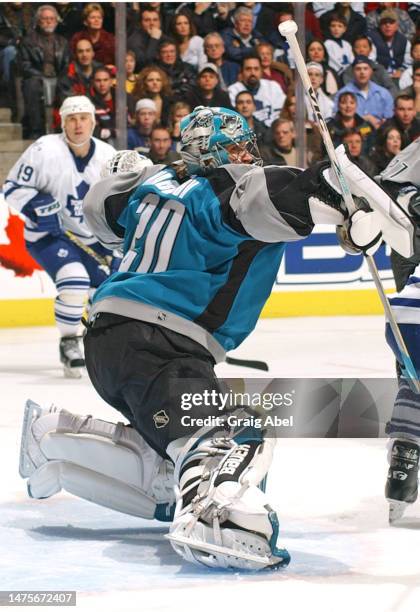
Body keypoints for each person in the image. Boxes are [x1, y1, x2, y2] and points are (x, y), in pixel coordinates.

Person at [18, 105, 416, 570]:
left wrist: (128, 171)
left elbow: (100, 209)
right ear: (221, 151)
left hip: (109, 337)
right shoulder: (232, 187)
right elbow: (304, 189)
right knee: (234, 433)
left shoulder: (152, 183)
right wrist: (356, 205)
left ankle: (54, 437)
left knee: (173, 469)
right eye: (241, 145)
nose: (250, 153)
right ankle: (214, 521)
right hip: (161, 343)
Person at [2, 95, 115, 377]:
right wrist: (37, 205)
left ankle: (103, 345)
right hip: (47, 236)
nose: (78, 125)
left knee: (107, 294)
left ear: (93, 121)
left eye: (83, 118)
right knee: (74, 281)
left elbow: (119, 204)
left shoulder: (107, 155)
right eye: (71, 119)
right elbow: (11, 188)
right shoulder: (43, 150)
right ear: (62, 123)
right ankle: (69, 342)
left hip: (92, 240)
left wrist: (118, 246)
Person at [373, 140, 420, 522]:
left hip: (406, 311)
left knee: (414, 371)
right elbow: (387, 191)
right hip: (412, 252)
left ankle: (404, 459)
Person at [18, 4, 70, 139]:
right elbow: (24, 65)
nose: (48, 21)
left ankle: (64, 128)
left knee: (67, 84)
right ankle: (36, 130)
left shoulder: (63, 42)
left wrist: (61, 77)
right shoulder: (28, 40)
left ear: (56, 21)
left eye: (52, 19)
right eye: (45, 18)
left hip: (57, 76)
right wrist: (40, 76)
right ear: (38, 20)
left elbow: (66, 64)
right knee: (32, 85)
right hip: (36, 76)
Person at [334, 55, 394, 130]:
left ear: (371, 71)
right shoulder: (342, 94)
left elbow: (389, 119)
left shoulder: (383, 93)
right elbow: (337, 119)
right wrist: (365, 119)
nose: (362, 72)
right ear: (353, 72)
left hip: (379, 133)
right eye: (358, 69)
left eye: (365, 69)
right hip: (352, 133)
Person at [228, 56, 285, 127]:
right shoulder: (233, 90)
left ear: (261, 71)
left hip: (273, 131)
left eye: (256, 69)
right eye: (248, 69)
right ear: (242, 71)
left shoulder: (273, 86)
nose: (252, 73)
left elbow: (280, 113)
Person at [368, 8, 412, 81]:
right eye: (384, 22)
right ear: (380, 25)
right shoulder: (371, 38)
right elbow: (370, 60)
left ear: (396, 26)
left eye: (391, 22)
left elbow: (409, 60)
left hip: (400, 77)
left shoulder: (404, 40)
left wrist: (401, 71)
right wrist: (383, 73)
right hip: (378, 76)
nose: (387, 25)